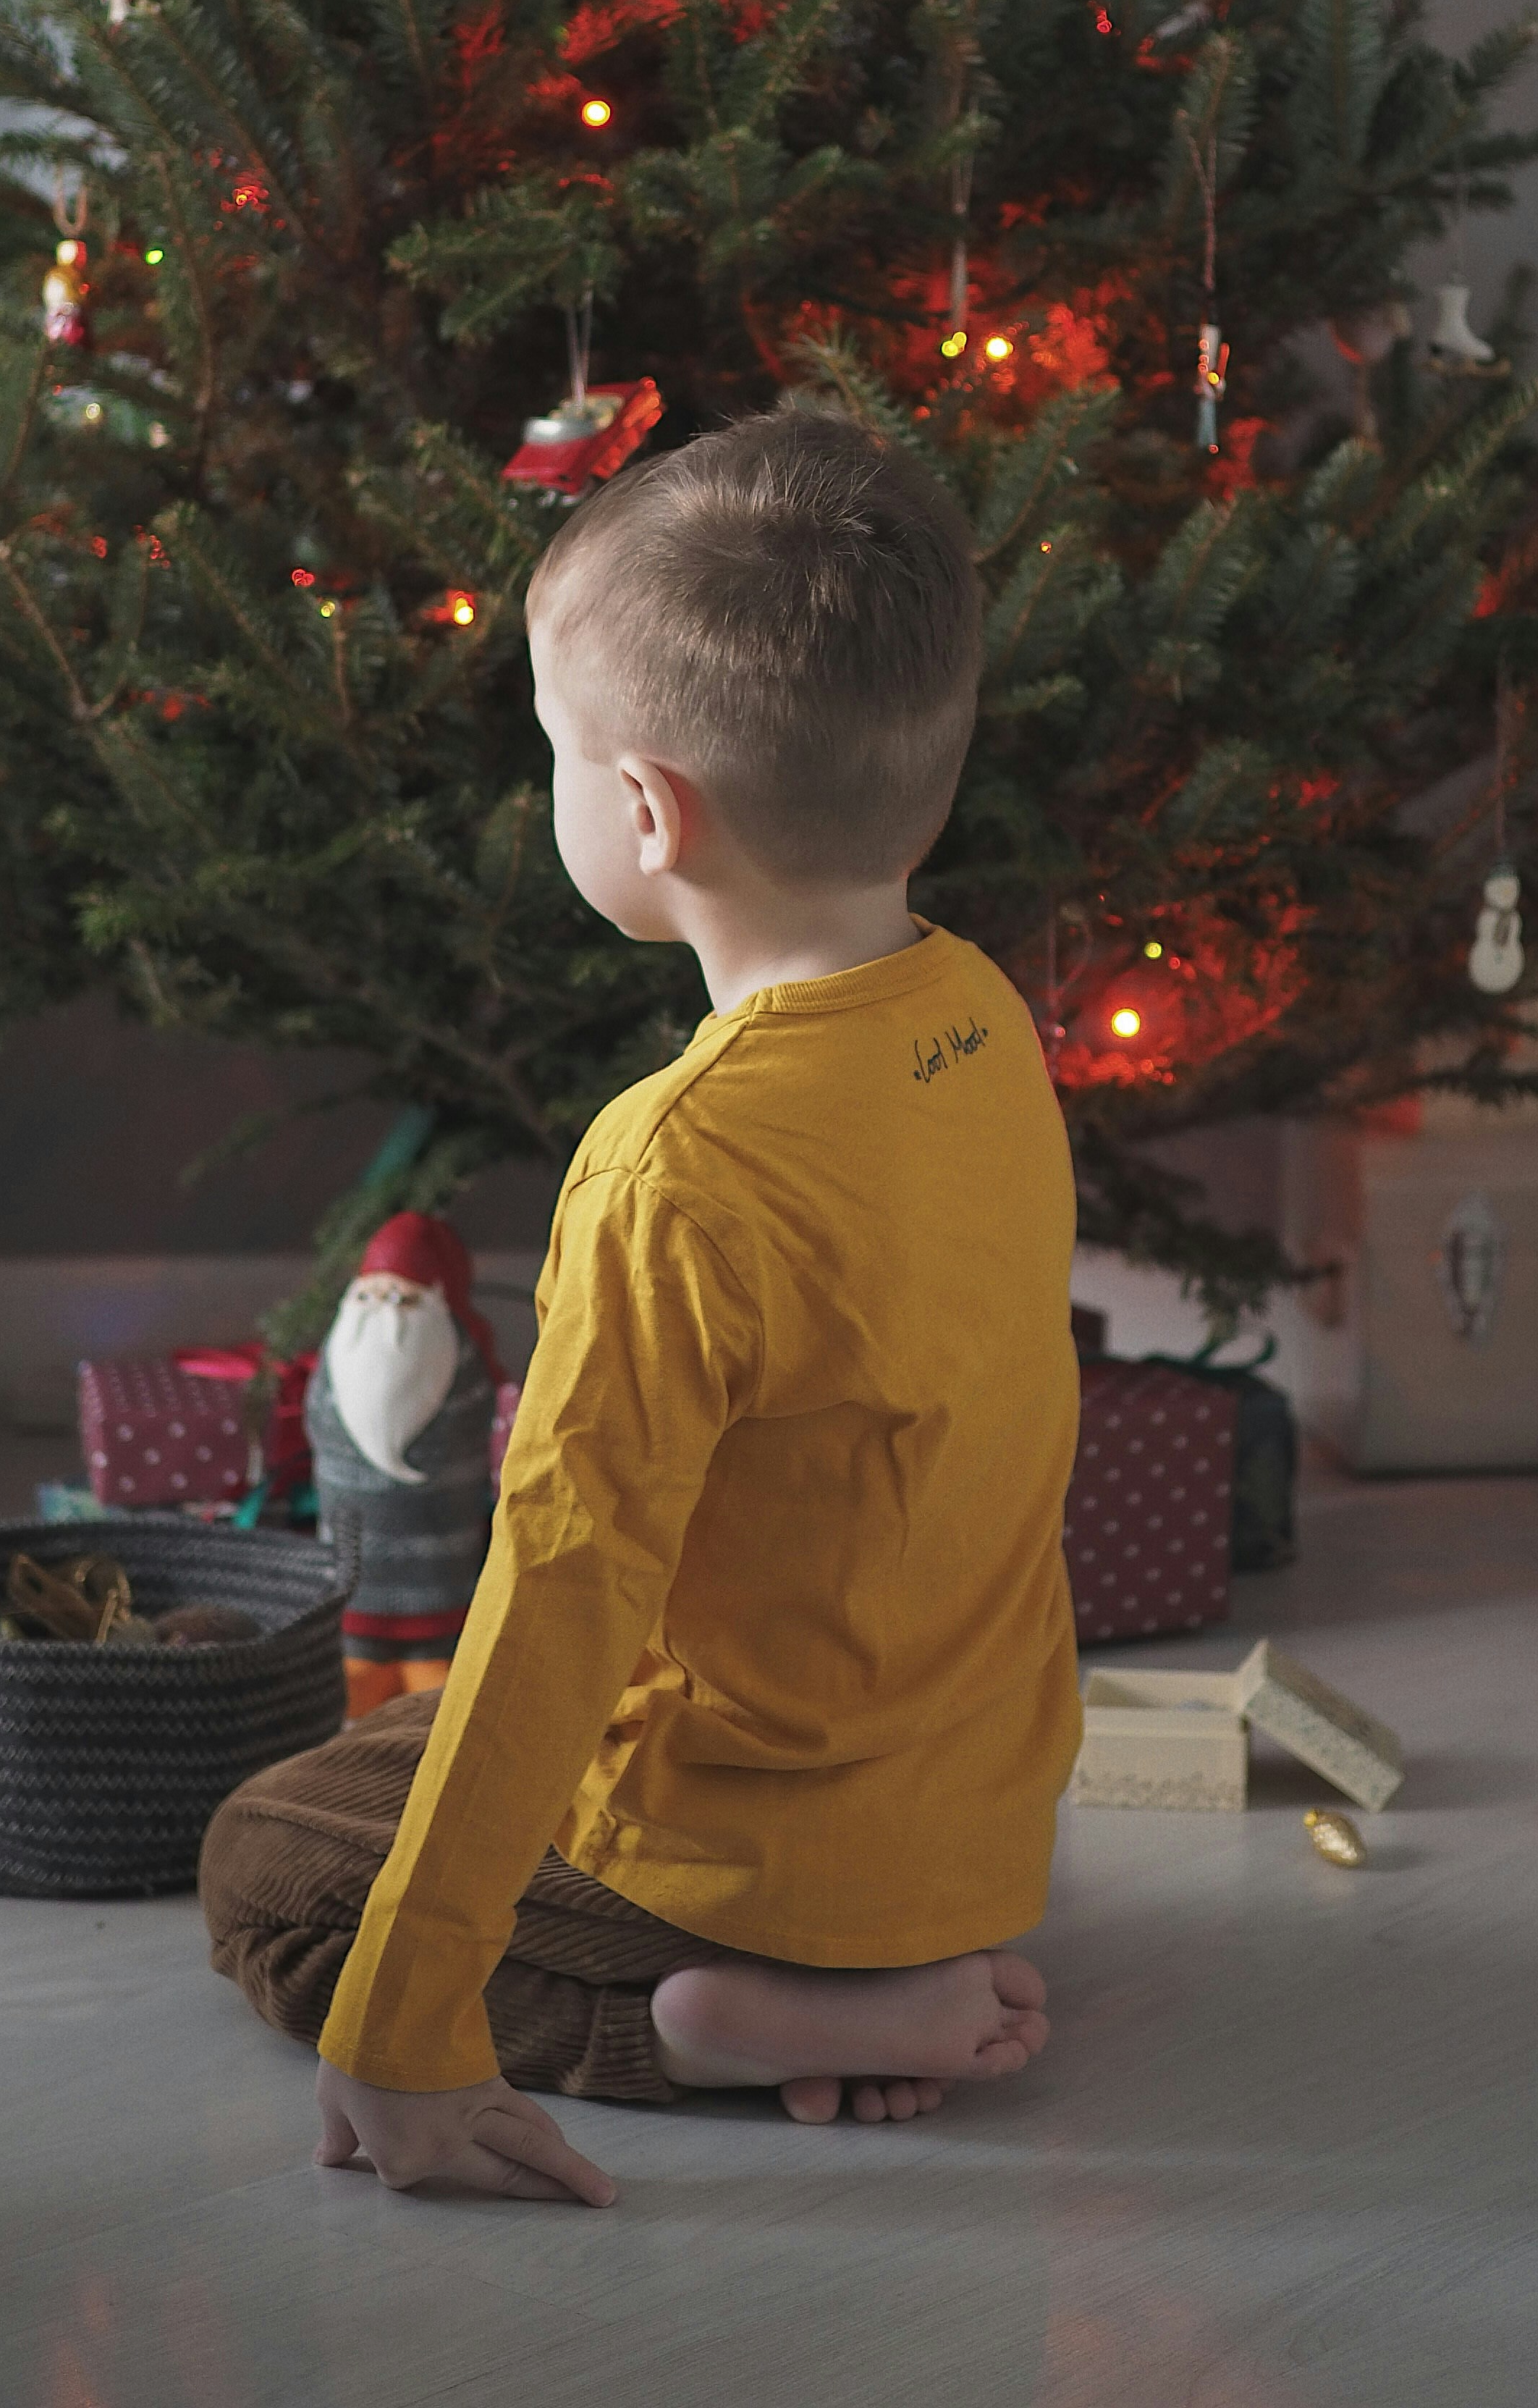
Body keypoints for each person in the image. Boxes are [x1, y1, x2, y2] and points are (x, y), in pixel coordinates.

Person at [200, 407, 1083, 2206]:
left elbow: (561, 1597)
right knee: (395, 1744)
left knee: (270, 1861)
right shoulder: (980, 1019)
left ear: (644, 814)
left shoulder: (673, 1159)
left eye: (553, 748)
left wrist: (404, 2026)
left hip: (737, 1849)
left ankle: (699, 2024)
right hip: (969, 1822)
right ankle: (877, 1974)